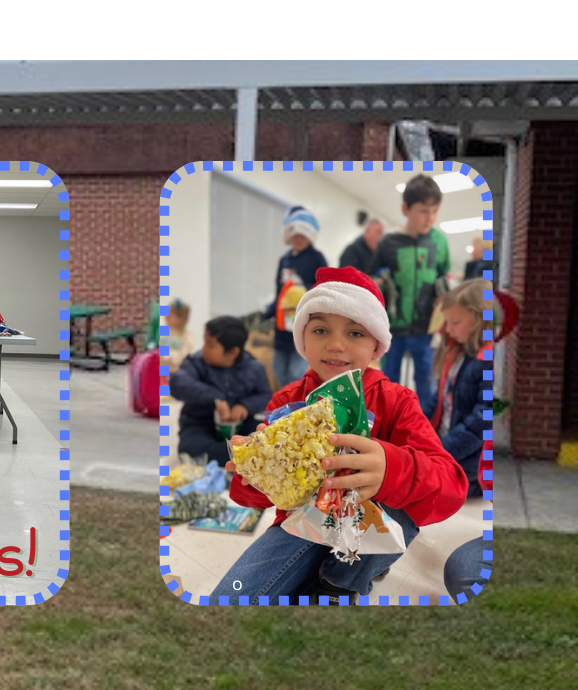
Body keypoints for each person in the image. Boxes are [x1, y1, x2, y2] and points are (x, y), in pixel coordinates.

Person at [212, 266, 468, 600]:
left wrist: (391, 469)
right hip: (301, 529)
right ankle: (334, 571)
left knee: (400, 513)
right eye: (320, 329)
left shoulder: (397, 401)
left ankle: (342, 582)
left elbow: (450, 483)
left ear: (377, 345)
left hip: (370, 524)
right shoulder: (286, 401)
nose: (335, 345)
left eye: (355, 333)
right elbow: (258, 499)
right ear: (302, 338)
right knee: (231, 598)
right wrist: (254, 475)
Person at [373, 174, 451, 411]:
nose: (430, 218)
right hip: (392, 327)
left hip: (425, 327)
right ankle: (388, 423)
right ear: (405, 209)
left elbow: (442, 276)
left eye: (434, 211)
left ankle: (425, 429)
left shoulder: (439, 242)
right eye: (423, 211)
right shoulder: (388, 243)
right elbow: (374, 279)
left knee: (425, 380)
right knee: (389, 379)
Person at [169, 316, 272, 467]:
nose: (203, 349)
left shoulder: (253, 368)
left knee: (269, 436)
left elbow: (265, 395)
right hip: (200, 423)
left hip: (240, 425)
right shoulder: (196, 362)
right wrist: (216, 398)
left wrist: (244, 406)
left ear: (232, 353)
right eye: (205, 342)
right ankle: (242, 454)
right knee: (189, 450)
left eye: (210, 345)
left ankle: (236, 453)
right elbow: (177, 383)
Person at [424, 280, 491, 497]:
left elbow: (481, 421)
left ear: (479, 318)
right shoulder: (458, 352)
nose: (449, 330)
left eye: (455, 322)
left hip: (468, 461)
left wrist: (442, 450)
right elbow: (440, 399)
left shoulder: (487, 361)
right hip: (445, 448)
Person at [263, 206, 328, 388]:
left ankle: (296, 406)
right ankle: (286, 404)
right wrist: (267, 313)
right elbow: (279, 292)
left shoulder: (317, 258)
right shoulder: (284, 260)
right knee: (278, 368)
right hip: (282, 326)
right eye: (295, 235)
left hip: (303, 321)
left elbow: (324, 286)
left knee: (295, 372)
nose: (298, 239)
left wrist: (302, 288)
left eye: (302, 236)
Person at [163, 299, 195, 373]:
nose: (166, 316)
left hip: (174, 373)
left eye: (170, 314)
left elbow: (183, 358)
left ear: (181, 319)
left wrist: (164, 354)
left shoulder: (187, 337)